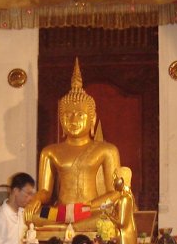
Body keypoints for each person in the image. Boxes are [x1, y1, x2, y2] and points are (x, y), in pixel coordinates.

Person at [24, 58, 121, 231]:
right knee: (34, 216)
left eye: (80, 115)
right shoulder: (50, 151)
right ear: (60, 120)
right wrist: (36, 199)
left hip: (90, 211)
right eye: (67, 115)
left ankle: (69, 227)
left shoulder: (106, 150)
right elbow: (46, 191)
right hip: (60, 212)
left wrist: (86, 207)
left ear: (92, 119)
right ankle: (69, 226)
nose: (73, 120)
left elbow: (115, 192)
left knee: (107, 218)